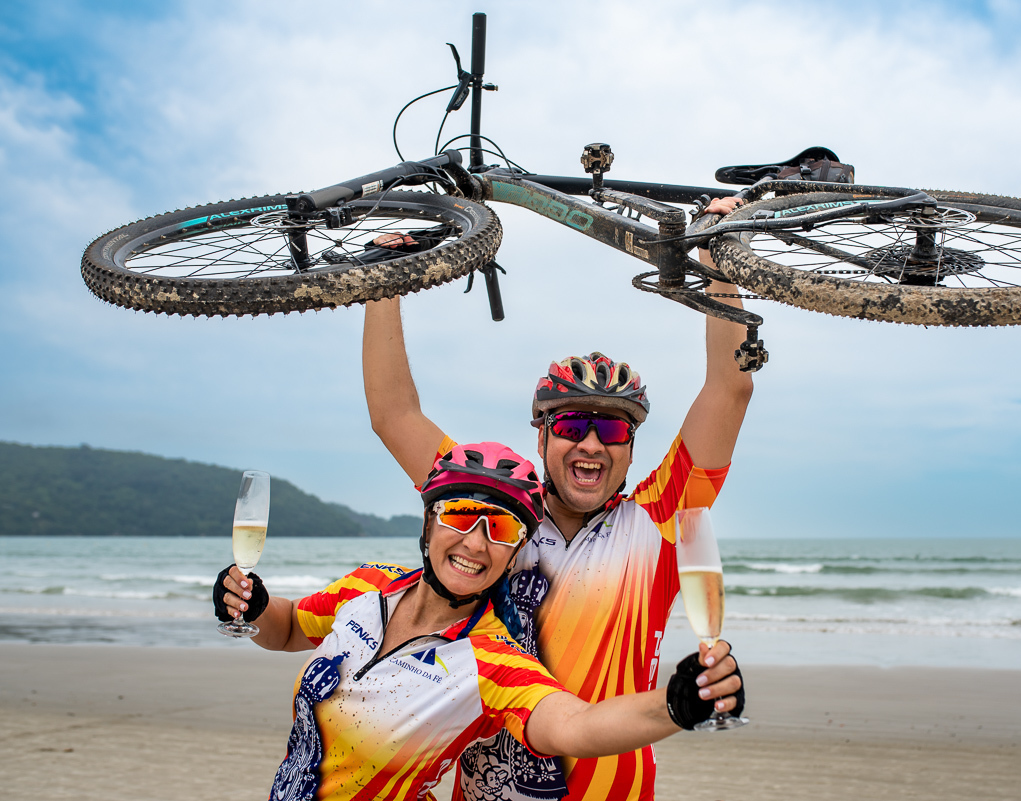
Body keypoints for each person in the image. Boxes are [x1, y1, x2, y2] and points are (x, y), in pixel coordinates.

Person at [362, 199, 753, 801]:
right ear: (542, 435)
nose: (591, 444)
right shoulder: (491, 507)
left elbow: (730, 388)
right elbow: (394, 415)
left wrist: (719, 263)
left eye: (614, 430)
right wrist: (382, 282)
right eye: (572, 425)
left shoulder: (660, 520)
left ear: (630, 448)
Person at [214, 442, 743, 801]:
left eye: (502, 528)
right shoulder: (368, 587)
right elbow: (286, 630)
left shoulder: (489, 660)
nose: (476, 542)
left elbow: (575, 727)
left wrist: (676, 704)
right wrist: (255, 607)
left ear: (516, 552)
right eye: (462, 515)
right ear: (429, 521)